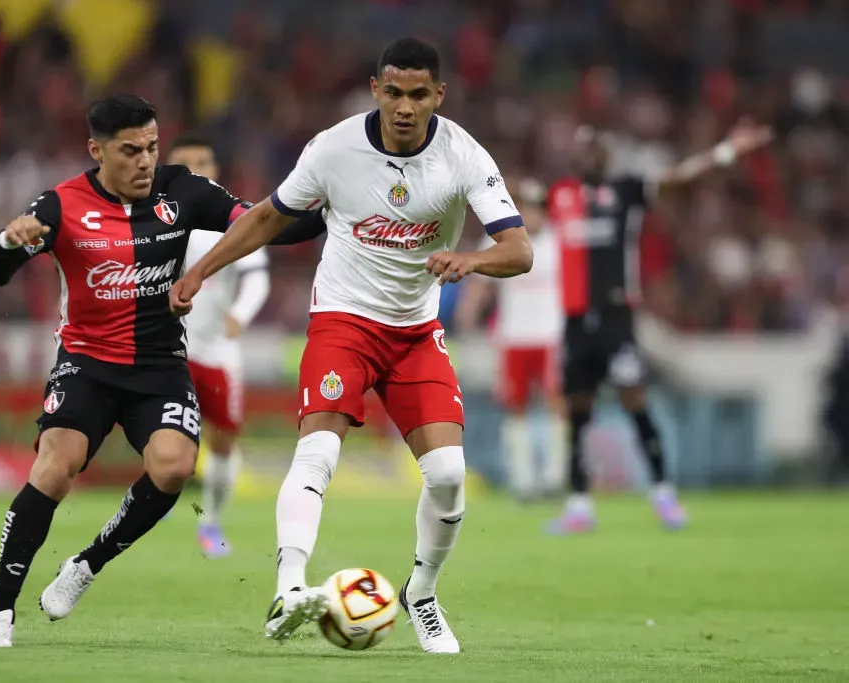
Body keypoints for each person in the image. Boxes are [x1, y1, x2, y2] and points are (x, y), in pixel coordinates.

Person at [171, 38, 533, 654]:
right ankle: (288, 589)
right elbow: (266, 217)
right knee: (317, 454)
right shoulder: (334, 148)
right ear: (376, 90)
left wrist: (470, 261)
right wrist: (202, 271)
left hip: (416, 333)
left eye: (418, 94)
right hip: (343, 321)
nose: (404, 106)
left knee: (448, 474)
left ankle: (421, 593)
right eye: (393, 92)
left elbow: (520, 251)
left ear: (437, 97)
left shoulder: (464, 154)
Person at [0, 94, 325, 648]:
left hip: (159, 366)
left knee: (173, 467)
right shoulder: (61, 206)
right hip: (86, 364)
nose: (145, 161)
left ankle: (87, 565)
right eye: (130, 150)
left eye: (152, 148)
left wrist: (330, 208)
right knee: (55, 468)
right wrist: (5, 242)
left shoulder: (183, 190)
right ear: (97, 151)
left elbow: (265, 225)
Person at [545, 121, 773, 534]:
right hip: (576, 322)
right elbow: (503, 197)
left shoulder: (628, 190)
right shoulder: (558, 195)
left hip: (617, 320)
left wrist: (727, 151)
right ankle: (579, 505)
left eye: (595, 148)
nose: (588, 156)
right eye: (582, 150)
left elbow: (680, 179)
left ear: (606, 154)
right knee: (577, 413)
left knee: (635, 403)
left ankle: (664, 493)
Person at [168, 133, 271, 557]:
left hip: (216, 352)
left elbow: (257, 276)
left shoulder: (232, 221)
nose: (195, 169)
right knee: (162, 437)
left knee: (224, 439)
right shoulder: (151, 221)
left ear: (216, 171)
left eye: (203, 161)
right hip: (167, 350)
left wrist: (239, 316)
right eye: (184, 163)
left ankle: (209, 522)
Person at [456, 178, 563, 501]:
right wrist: (469, 311)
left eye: (534, 208)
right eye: (524, 208)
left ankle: (555, 477)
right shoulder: (502, 242)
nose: (529, 215)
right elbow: (478, 283)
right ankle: (524, 480)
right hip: (513, 336)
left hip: (551, 336)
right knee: (516, 407)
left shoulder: (559, 244)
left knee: (557, 405)